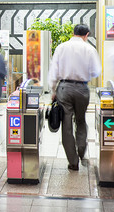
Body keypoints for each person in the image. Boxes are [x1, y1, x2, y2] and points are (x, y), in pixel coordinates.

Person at [49, 24, 101, 171]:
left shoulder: (61, 47)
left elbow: (54, 72)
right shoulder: (90, 49)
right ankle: (81, 149)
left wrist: (53, 90)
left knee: (66, 125)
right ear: (87, 34)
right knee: (81, 120)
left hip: (64, 88)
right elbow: (96, 71)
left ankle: (73, 162)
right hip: (82, 89)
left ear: (73, 33)